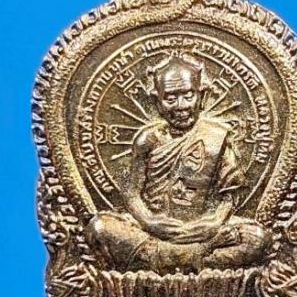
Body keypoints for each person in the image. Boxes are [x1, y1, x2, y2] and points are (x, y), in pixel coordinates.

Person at [88, 52, 268, 273]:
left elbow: (228, 197)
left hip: (204, 229)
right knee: (100, 228)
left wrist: (213, 223)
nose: (180, 106)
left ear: (202, 97)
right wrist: (149, 221)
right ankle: (196, 257)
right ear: (157, 102)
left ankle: (162, 258)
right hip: (153, 229)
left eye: (188, 96)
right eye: (170, 99)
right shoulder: (147, 140)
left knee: (257, 238)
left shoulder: (217, 137)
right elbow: (131, 193)